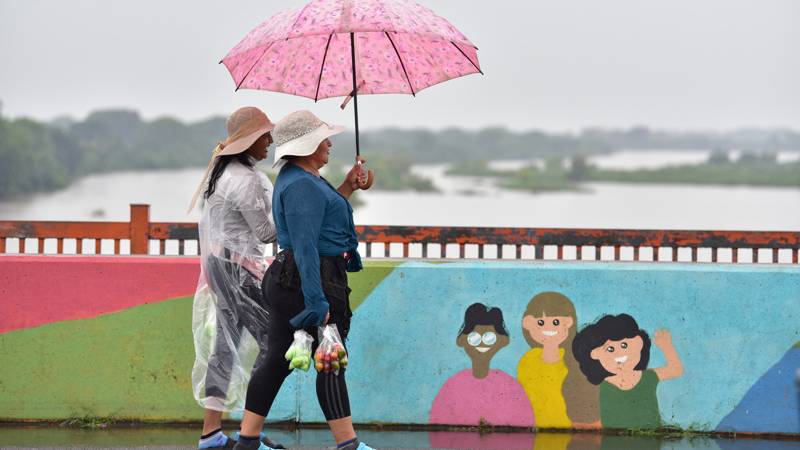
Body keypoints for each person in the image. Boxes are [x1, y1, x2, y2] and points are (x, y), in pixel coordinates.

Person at [233, 110, 374, 450]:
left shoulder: (302, 178)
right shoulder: (301, 185)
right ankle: (348, 444)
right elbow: (306, 246)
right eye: (324, 138)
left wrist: (349, 185)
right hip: (308, 279)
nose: (329, 143)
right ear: (307, 145)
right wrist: (317, 300)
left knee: (278, 358)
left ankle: (248, 441)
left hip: (291, 279)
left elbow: (322, 221)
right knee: (331, 359)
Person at [188, 106, 284, 450]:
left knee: (225, 347)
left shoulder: (227, 172)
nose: (270, 142)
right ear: (249, 141)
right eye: (265, 136)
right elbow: (264, 233)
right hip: (238, 270)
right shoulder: (244, 180)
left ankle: (211, 433)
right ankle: (249, 432)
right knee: (275, 344)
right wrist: (296, 216)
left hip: (222, 265)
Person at [429, 303, 534, 428]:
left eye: (489, 338)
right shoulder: (454, 385)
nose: (482, 343)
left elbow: (524, 418)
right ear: (462, 340)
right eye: (474, 338)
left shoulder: (508, 385)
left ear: (502, 341)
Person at [572, 313, 684, 430]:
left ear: (639, 343)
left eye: (624, 345)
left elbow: (675, 370)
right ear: (595, 354)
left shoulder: (648, 377)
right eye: (610, 349)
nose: (619, 353)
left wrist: (667, 346)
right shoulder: (603, 385)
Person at [516, 292, 600, 429]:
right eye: (541, 322)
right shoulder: (528, 360)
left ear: (568, 323)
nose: (548, 328)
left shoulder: (575, 359)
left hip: (570, 425)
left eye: (556, 322)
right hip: (535, 424)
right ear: (528, 323)